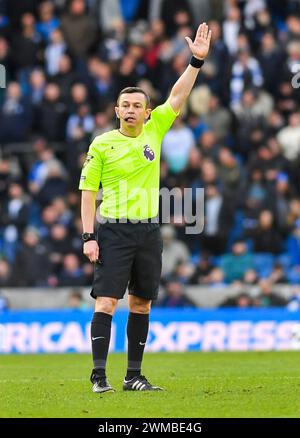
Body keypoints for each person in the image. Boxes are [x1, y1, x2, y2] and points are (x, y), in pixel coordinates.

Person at [79, 22, 211, 393]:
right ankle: (99, 376)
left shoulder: (155, 130)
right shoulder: (102, 144)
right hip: (115, 230)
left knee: (141, 304)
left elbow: (178, 96)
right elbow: (88, 192)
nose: (132, 110)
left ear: (146, 110)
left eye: (138, 105)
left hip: (149, 231)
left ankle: (133, 376)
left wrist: (195, 62)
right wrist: (89, 236)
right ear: (117, 110)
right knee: (106, 302)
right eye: (126, 105)